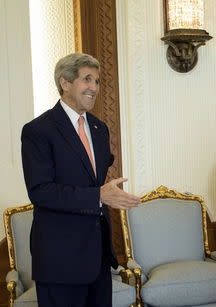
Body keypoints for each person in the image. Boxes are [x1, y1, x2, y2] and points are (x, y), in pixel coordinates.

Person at [21, 53, 141, 307]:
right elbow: (41, 191)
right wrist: (98, 196)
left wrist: (107, 193)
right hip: (59, 260)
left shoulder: (99, 128)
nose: (94, 88)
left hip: (97, 257)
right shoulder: (38, 130)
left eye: (97, 81)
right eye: (87, 79)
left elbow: (93, 174)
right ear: (65, 83)